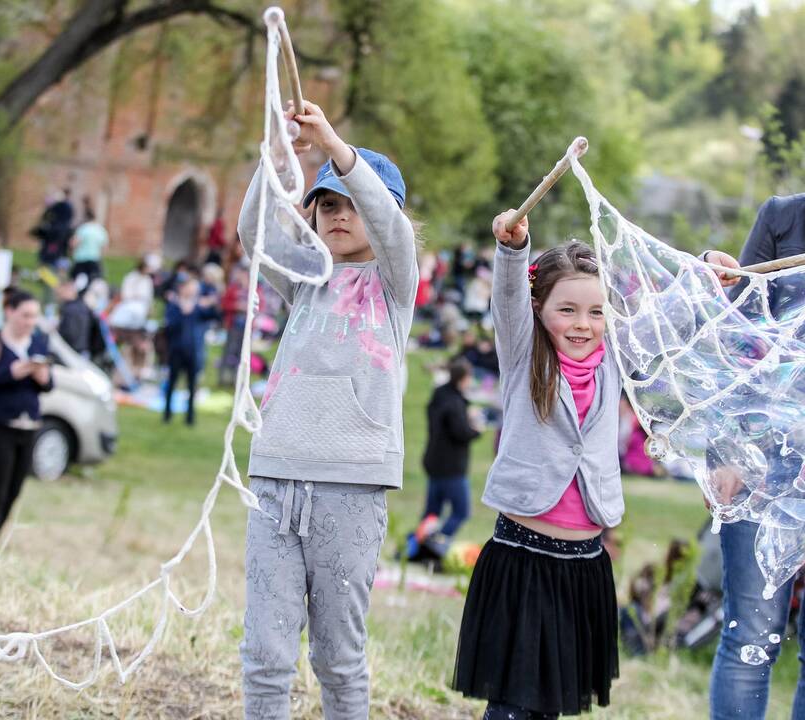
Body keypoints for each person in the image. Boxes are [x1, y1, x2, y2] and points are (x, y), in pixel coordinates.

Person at [453, 215, 737, 719]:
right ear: (540, 310)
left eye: (595, 312)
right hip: (523, 558)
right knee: (512, 703)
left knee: (552, 703)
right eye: (567, 310)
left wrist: (704, 277)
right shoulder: (523, 352)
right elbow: (510, 296)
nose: (583, 324)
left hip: (584, 563)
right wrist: (514, 251)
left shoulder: (613, 358)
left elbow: (665, 320)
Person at [236, 99, 417, 718]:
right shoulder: (306, 279)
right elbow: (253, 233)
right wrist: (280, 151)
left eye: (353, 205)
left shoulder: (396, 286)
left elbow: (390, 229)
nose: (340, 215)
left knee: (338, 658)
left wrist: (340, 151)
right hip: (275, 475)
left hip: (351, 487)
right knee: (265, 654)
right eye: (328, 205)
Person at [707, 193, 805, 720]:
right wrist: (729, 449)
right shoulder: (782, 217)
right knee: (752, 641)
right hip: (763, 465)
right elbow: (737, 342)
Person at [0, 290, 53, 549]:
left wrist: (42, 378)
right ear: (9, 312)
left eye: (34, 316)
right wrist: (11, 372)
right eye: (25, 315)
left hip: (28, 426)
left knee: (13, 493)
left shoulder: (37, 344)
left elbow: (49, 384)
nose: (30, 321)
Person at [421, 357, 484, 542]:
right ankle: (435, 545)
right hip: (452, 466)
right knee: (461, 511)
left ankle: (416, 547)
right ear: (463, 378)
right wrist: (476, 428)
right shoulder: (455, 403)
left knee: (431, 513)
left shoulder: (439, 394)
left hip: (433, 460)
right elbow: (461, 432)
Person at [162, 277, 218, 425]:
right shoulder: (174, 306)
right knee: (172, 383)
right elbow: (168, 328)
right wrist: (183, 312)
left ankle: (190, 417)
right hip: (176, 351)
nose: (194, 291)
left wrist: (213, 302)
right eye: (191, 287)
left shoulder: (198, 307)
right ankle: (167, 414)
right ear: (183, 288)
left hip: (193, 352)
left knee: (192, 385)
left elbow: (214, 315)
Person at [56, 279, 102, 359]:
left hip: (71, 352)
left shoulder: (69, 309)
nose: (58, 297)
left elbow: (69, 333)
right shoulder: (84, 307)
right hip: (84, 350)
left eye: (60, 293)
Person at [70, 197, 109, 284]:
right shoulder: (101, 229)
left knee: (77, 282)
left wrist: (72, 252)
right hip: (95, 259)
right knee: (92, 282)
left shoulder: (83, 228)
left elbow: (74, 243)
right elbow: (104, 247)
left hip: (81, 259)